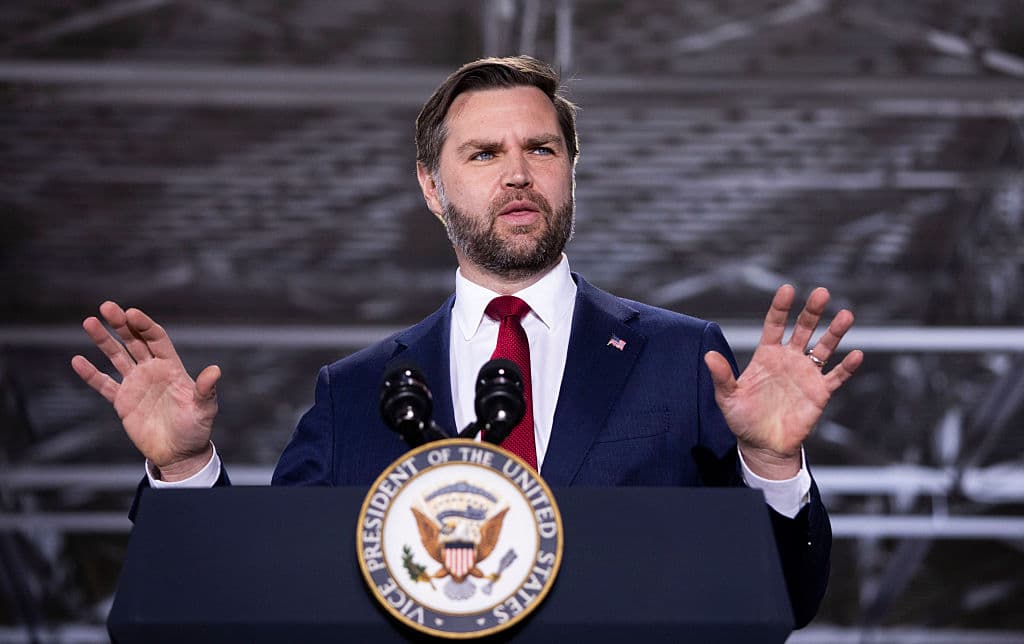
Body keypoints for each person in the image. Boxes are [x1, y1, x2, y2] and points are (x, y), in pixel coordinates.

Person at [71, 56, 862, 628]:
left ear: (572, 171)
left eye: (541, 150)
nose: (517, 174)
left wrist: (770, 466)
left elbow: (781, 600)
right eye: (484, 154)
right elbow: (263, 597)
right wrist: (181, 472)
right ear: (431, 186)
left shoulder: (682, 358)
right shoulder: (354, 392)